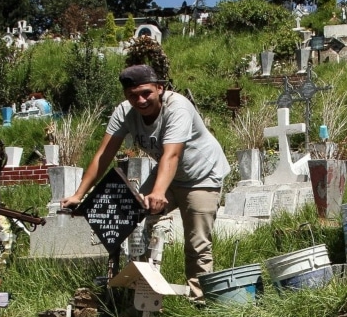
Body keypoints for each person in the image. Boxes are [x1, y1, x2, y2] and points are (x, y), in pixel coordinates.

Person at [59, 64, 229, 298]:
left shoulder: (177, 107)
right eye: (132, 95)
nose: (140, 100)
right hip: (168, 174)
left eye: (146, 93)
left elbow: (172, 154)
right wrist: (79, 195)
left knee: (196, 242)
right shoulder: (124, 112)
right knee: (130, 214)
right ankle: (141, 288)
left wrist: (158, 193)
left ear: (159, 88)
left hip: (201, 176)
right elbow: (103, 155)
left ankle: (199, 301)